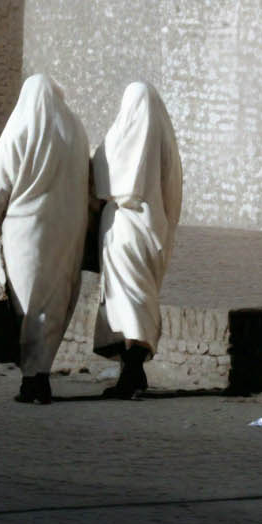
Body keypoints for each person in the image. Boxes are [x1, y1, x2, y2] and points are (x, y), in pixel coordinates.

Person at [0, 74, 90, 404]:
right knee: (52, 304)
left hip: (26, 235)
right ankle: (41, 375)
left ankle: (31, 380)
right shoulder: (75, 130)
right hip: (66, 234)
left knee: (26, 305)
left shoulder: (23, 125)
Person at [91, 81, 183, 398]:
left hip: (124, 227)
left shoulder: (120, 138)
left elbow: (100, 175)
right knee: (139, 296)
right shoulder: (165, 142)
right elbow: (172, 191)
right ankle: (134, 367)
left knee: (127, 298)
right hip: (153, 226)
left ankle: (131, 371)